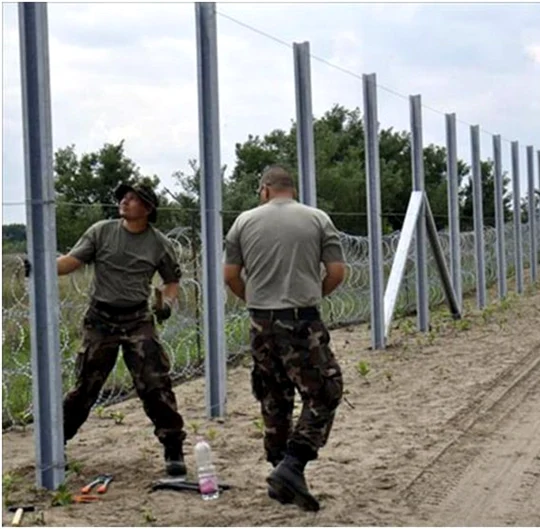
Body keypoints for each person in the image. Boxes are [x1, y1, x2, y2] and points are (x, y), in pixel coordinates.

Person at [26, 182, 188, 476]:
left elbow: (171, 280)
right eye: (123, 197)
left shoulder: (158, 243)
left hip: (138, 319)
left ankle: (173, 448)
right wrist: (39, 264)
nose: (124, 201)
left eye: (132, 198)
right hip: (101, 319)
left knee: (155, 385)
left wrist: (165, 302)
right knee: (86, 386)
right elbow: (70, 262)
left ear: (148, 209)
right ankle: (55, 444)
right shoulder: (102, 231)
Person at [223, 165, 346, 512]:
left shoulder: (243, 222)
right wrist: (312, 295)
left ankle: (280, 472)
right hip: (301, 321)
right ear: (290, 189)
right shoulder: (317, 219)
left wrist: (256, 301)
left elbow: (230, 275)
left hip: (261, 322)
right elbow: (336, 272)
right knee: (324, 391)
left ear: (264, 189)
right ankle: (293, 465)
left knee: (274, 396)